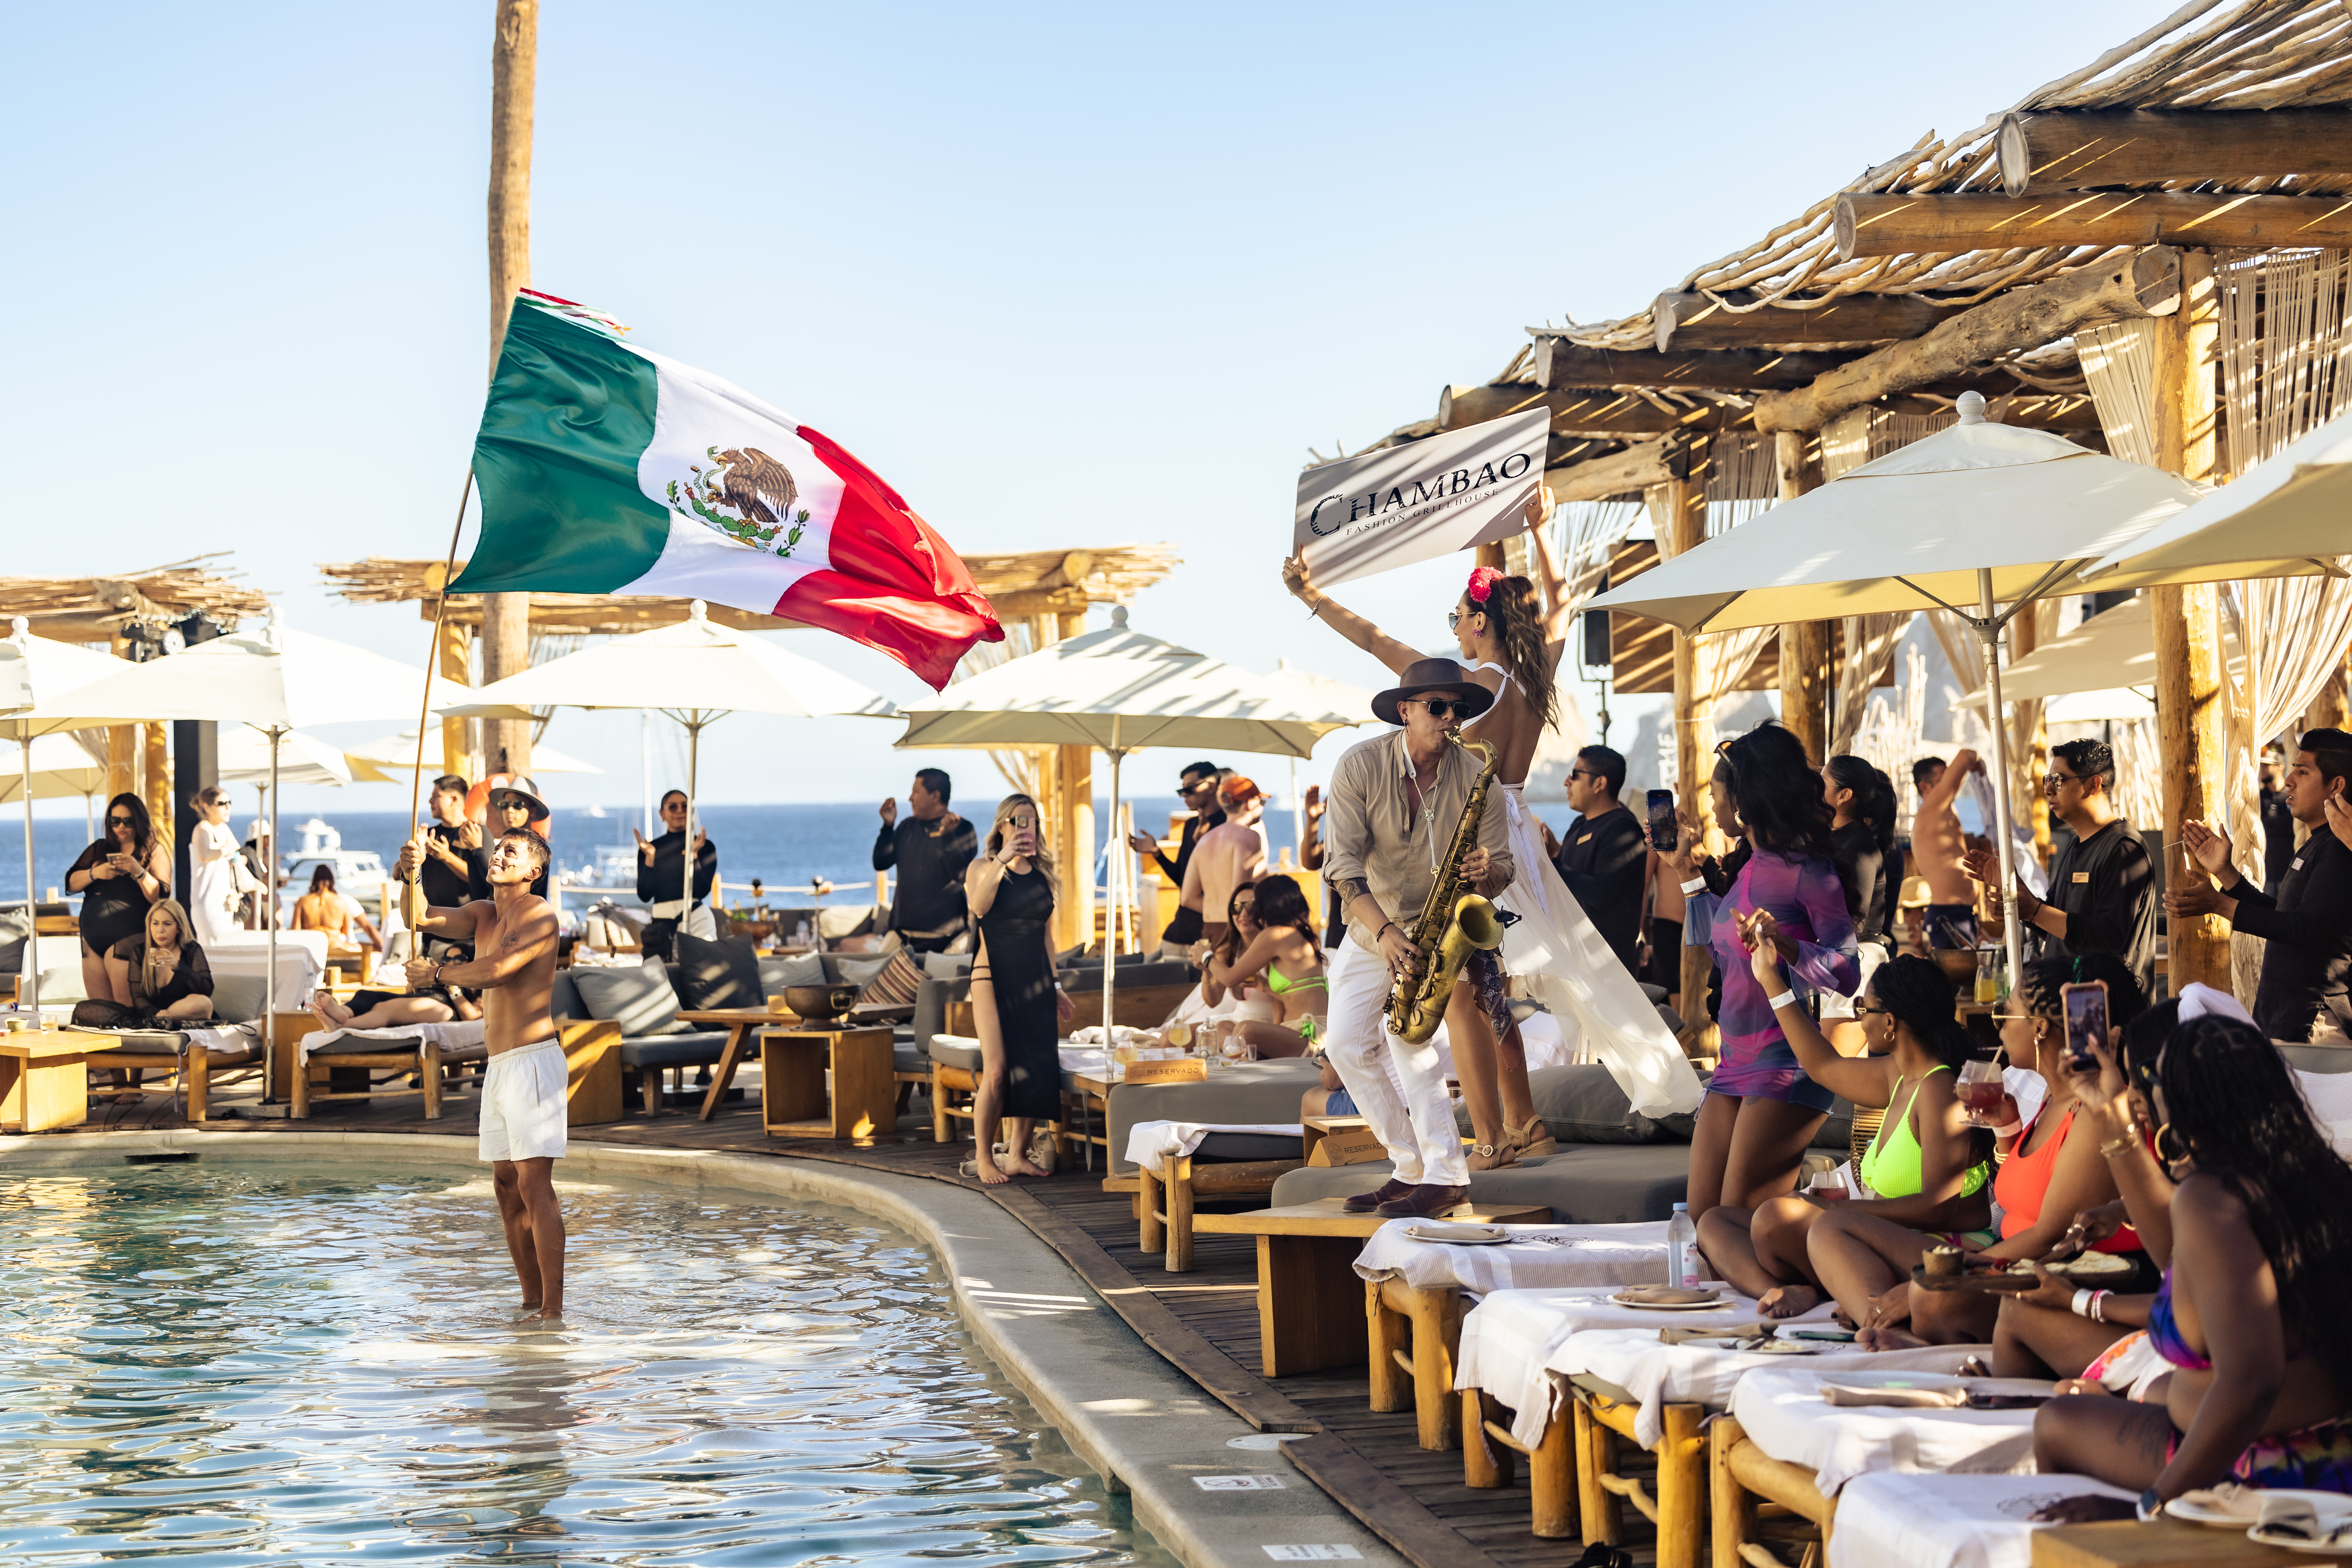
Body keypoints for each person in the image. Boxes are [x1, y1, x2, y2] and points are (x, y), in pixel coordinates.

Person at [1288, 552, 1695, 1165]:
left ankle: (1495, 1134)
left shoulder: (1463, 689)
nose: (1452, 628)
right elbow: (1558, 606)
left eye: (1457, 617)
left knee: (1465, 994)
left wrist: (1310, 595)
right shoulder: (1534, 675)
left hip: (1478, 833)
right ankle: (1522, 1118)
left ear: (1481, 623)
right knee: (1489, 992)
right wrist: (1539, 531)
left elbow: (1375, 641)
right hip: (1518, 834)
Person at [2031, 1011, 2352, 1514]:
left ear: (2178, 1101)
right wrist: (2108, 1111)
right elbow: (2175, 1260)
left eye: (2145, 1080)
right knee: (2085, 1410)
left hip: (2265, 1467)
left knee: (2054, 1426)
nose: (2138, 1094)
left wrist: (2153, 1505)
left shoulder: (2210, 1197)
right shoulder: (2308, 1177)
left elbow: (2252, 1379)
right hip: (2324, 1445)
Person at [1809, 954, 2149, 1348]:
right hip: (2004, 1264)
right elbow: (2019, 1198)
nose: (1998, 1023)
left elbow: (2048, 1235)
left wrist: (1951, 1275)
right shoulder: (2050, 1104)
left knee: (1930, 1295)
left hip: (2044, 1277)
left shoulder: (2091, 1112)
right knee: (1832, 1232)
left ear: (2039, 1028)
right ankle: (1888, 1315)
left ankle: (1895, 1329)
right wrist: (2007, 1130)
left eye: (2007, 1011)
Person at [1316, 657, 1516, 1218]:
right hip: (1371, 926)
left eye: (1457, 709)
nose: (1450, 718)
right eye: (1437, 707)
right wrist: (1382, 931)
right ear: (1405, 712)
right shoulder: (1359, 767)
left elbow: (1504, 867)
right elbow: (1342, 866)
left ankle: (1447, 1175)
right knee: (1346, 1046)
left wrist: (1488, 871)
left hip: (1437, 932)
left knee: (1409, 1044)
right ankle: (1409, 1168)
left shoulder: (1481, 779)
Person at [1698, 947, 1989, 1319]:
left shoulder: (1939, 1089)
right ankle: (1782, 1292)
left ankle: (1842, 1291)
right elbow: (1822, 1064)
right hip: (1867, 1236)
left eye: (1862, 1010)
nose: (1858, 1019)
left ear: (1890, 1022)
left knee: (1775, 1217)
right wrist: (1772, 981)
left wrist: (1836, 1211)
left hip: (1940, 1249)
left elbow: (1938, 1207)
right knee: (1716, 1221)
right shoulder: (1897, 1076)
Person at [1663, 722, 1857, 1221]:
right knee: (1705, 1224)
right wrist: (1687, 876)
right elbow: (1721, 947)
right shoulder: (1749, 865)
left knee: (1736, 1223)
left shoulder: (1808, 872)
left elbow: (1849, 973)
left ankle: (1797, 1286)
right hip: (1734, 1064)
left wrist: (1789, 946)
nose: (1711, 805)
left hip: (1785, 1064)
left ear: (1747, 800)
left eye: (1716, 794)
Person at [395, 825, 566, 1319]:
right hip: (499, 1067)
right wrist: (413, 873)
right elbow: (420, 916)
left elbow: (500, 969)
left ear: (533, 871)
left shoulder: (538, 913)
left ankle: (552, 1312)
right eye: (497, 849)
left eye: (510, 851)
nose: (498, 854)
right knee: (504, 1186)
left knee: (535, 1185)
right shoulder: (485, 913)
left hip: (533, 1061)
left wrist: (439, 974)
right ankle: (530, 1300)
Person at [2169, 726, 2352, 1043]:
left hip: (2314, 1022)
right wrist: (2227, 876)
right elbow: (2283, 916)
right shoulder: (2320, 842)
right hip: (2290, 1019)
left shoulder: (2341, 848)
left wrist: (2219, 904)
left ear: (2336, 786)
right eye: (2292, 769)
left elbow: (2305, 928)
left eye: (2303, 771)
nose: (2290, 780)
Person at [1968, 738, 2157, 999]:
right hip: (2068, 1002)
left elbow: (2108, 938)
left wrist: (2034, 911)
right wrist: (2018, 894)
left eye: (2058, 780)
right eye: (2048, 779)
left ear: (2094, 784)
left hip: (2108, 1010)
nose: (2048, 790)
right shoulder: (2077, 844)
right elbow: (2055, 923)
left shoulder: (2123, 848)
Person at [964, 794, 1075, 1184]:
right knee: (997, 1072)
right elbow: (979, 908)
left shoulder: (1043, 876)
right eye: (1017, 820)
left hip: (1036, 982)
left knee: (1037, 1068)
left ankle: (1016, 1153)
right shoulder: (982, 867)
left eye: (1031, 821)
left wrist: (1056, 983)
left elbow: (1046, 934)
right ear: (1001, 825)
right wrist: (1003, 859)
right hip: (991, 977)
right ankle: (984, 1157)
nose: (1024, 828)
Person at [1196, 872, 1325, 1059]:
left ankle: (1244, 1059)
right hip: (1294, 1032)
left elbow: (1229, 978)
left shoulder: (1275, 935)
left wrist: (1206, 956)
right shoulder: (1297, 934)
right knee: (1225, 1027)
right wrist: (1265, 987)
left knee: (1246, 1030)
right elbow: (1291, 998)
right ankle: (1247, 1057)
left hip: (1310, 1037)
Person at [1820, 755, 1899, 1052]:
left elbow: (1856, 920)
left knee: (1835, 1068)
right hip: (1838, 960)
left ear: (1844, 796)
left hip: (1857, 960)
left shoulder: (1861, 848)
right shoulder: (1836, 838)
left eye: (1823, 781)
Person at [66, 794, 171, 1005]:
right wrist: (96, 873)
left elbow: (159, 895)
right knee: (100, 1011)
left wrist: (139, 871)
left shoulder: (153, 850)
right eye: (115, 821)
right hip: (92, 940)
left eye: (128, 821)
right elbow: (71, 883)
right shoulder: (100, 848)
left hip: (129, 938)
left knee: (127, 1008)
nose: (121, 826)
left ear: (140, 821)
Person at [1554, 744, 1646, 977]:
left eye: (1575, 775)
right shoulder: (1579, 824)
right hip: (1577, 960)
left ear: (1600, 784)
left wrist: (1551, 863)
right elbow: (1570, 872)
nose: (1567, 781)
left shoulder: (1622, 829)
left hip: (1609, 967)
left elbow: (1599, 893)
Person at [874, 768, 977, 954]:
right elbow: (880, 863)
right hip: (902, 938)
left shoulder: (962, 829)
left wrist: (947, 838)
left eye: (916, 792)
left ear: (935, 796)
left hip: (948, 941)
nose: (910, 798)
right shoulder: (906, 827)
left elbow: (961, 874)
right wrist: (888, 827)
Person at [69, 899, 214, 1030]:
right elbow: (137, 997)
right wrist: (155, 1013)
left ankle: (162, 1021)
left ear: (179, 927)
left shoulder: (191, 949)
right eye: (155, 923)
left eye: (167, 924)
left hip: (181, 1011)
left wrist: (179, 967)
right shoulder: (140, 952)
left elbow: (206, 989)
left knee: (203, 1003)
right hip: (149, 1014)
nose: (160, 930)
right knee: (85, 1008)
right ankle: (160, 1022)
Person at [1130, 761, 1225, 958]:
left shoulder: (1227, 826)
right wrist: (1157, 853)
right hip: (1178, 933)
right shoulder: (1190, 826)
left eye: (1190, 789)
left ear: (1212, 787)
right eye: (1181, 791)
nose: (1185, 796)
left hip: (1210, 936)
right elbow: (1183, 880)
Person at [1184, 775, 1268, 950]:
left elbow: (1187, 898)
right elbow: (1239, 892)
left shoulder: (1204, 841)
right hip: (1239, 929)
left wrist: (1216, 910)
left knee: (1213, 977)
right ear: (1250, 803)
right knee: (1248, 978)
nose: (1261, 807)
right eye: (1261, 802)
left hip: (1210, 929)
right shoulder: (1248, 836)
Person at [1911, 752, 1982, 949]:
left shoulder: (1945, 811)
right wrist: (1977, 764)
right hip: (1948, 915)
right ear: (1925, 787)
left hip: (1963, 913)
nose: (1952, 783)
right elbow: (1966, 755)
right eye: (1944, 780)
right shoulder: (1931, 809)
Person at [634, 789, 716, 961]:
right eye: (673, 807)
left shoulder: (704, 847)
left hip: (697, 919)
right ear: (662, 814)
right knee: (660, 979)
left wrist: (693, 856)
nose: (680, 811)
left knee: (704, 975)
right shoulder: (650, 850)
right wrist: (650, 859)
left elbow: (701, 891)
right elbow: (645, 895)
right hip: (661, 927)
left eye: (685, 807)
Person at [184, 785, 245, 946]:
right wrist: (225, 850)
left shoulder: (223, 829)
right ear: (207, 807)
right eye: (222, 803)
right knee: (215, 953)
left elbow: (238, 855)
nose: (228, 807)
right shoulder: (203, 828)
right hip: (208, 903)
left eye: (229, 802)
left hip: (226, 903)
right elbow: (204, 855)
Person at [475, 779, 553, 899]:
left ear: (533, 811)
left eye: (518, 805)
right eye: (505, 805)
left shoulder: (537, 847)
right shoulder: (504, 842)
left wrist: (477, 850)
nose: (510, 810)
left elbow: (498, 884)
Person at [292, 865, 381, 949]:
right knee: (366, 947)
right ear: (332, 881)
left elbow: (295, 931)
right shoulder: (342, 902)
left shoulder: (302, 901)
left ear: (314, 881)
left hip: (312, 946)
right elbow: (345, 931)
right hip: (335, 946)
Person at [2261, 744, 2296, 894]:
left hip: (2289, 872)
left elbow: (2296, 824)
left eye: (2266, 766)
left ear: (2280, 767)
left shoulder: (2291, 796)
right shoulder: (2258, 798)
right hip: (2266, 873)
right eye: (2261, 766)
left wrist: (2268, 824)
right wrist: (2285, 826)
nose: (2261, 770)